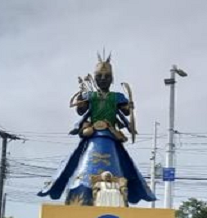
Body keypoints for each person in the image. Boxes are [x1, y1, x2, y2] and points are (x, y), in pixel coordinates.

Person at [38, 53, 156, 205]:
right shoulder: (89, 95)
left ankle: (117, 197)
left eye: (106, 76)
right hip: (93, 135)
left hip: (110, 136)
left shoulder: (117, 96)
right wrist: (81, 101)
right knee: (82, 168)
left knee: (119, 168)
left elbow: (126, 111)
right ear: (94, 77)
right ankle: (81, 196)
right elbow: (81, 111)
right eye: (99, 75)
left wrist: (129, 106)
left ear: (112, 78)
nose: (103, 79)